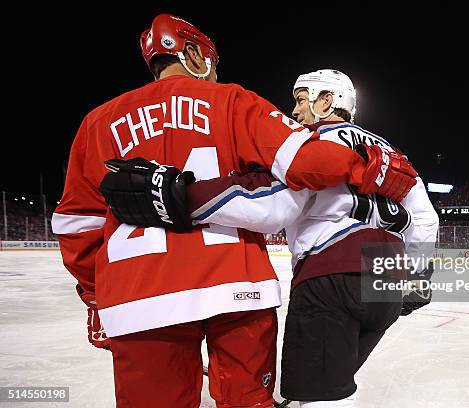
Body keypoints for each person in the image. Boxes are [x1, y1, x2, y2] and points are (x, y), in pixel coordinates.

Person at [51, 14, 417, 408]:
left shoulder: (97, 123)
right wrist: (366, 167)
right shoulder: (232, 101)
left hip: (139, 295)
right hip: (236, 288)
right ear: (193, 54)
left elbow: (77, 226)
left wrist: (96, 294)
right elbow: (306, 162)